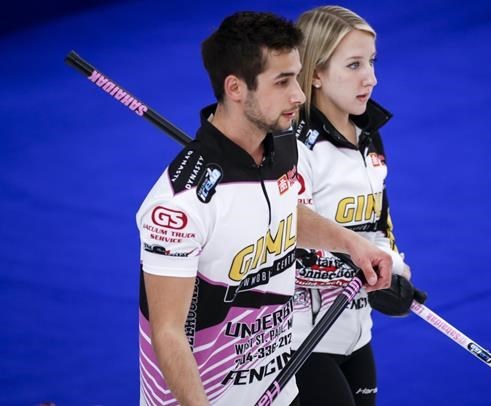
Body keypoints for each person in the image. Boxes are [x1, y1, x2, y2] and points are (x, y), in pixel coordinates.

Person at [136, 11, 391, 406]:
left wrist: (351, 244)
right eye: (283, 81)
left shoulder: (282, 146)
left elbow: (286, 212)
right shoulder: (180, 204)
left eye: (297, 76)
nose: (300, 95)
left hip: (280, 387)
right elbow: (167, 331)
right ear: (236, 88)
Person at [291, 6, 411, 406]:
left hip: (355, 329)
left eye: (372, 62)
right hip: (299, 338)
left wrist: (393, 271)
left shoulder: (368, 135)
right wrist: (355, 264)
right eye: (354, 64)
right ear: (316, 73)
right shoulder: (291, 146)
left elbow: (379, 225)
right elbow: (284, 235)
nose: (371, 78)